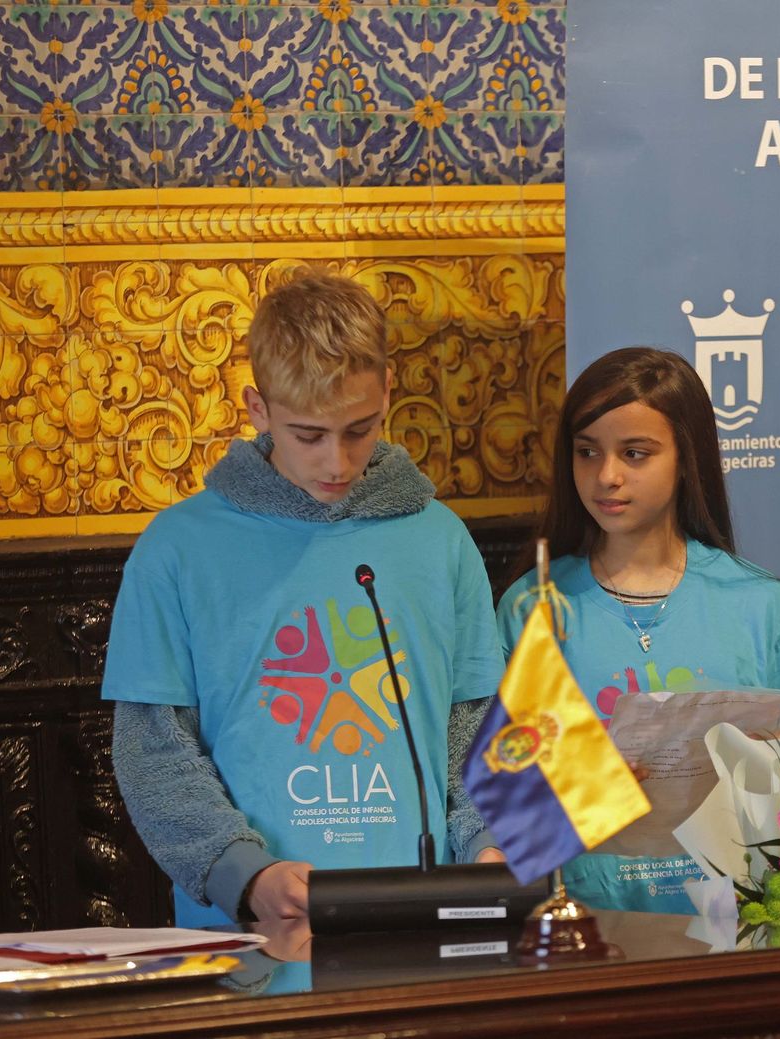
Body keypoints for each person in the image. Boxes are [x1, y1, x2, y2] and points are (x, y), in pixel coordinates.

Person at [103, 270, 504, 926]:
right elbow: (154, 750)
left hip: (419, 933)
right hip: (253, 942)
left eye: (359, 428)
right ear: (258, 409)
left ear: (387, 391)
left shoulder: (441, 540)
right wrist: (245, 873)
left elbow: (476, 728)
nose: (336, 462)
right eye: (308, 435)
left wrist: (488, 843)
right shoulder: (176, 549)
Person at [495, 346, 780, 913]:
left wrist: (759, 768)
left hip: (734, 918)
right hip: (586, 920)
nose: (607, 476)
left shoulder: (762, 604)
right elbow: (499, 794)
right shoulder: (533, 608)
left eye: (635, 453)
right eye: (587, 452)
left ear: (686, 459)